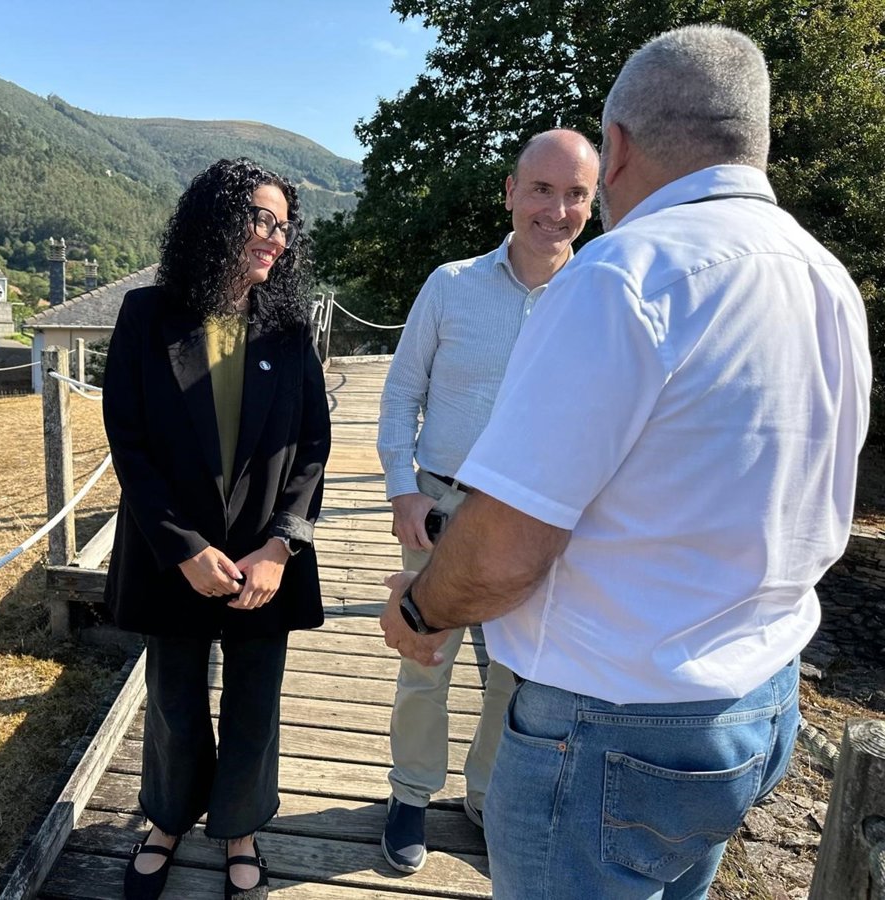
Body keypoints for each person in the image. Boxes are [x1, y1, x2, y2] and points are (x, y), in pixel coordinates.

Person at [380, 24, 872, 900]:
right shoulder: (827, 278)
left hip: (611, 724)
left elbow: (507, 548)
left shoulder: (624, 275)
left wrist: (419, 607)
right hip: (757, 701)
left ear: (617, 148)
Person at [102, 158, 331, 900]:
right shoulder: (146, 315)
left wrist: (281, 546)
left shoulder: (290, 331)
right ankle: (166, 820)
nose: (275, 238)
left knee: (255, 701)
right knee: (173, 699)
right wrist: (183, 548)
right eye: (260, 220)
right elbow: (128, 443)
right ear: (215, 221)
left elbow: (313, 446)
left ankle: (240, 827)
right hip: (173, 554)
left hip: (265, 559)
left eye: (283, 226)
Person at [376, 129, 599, 873]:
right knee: (425, 656)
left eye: (576, 194)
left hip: (537, 515)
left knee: (514, 671)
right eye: (542, 189)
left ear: (593, 204)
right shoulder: (451, 284)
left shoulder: (598, 297)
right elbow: (401, 393)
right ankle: (410, 793)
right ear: (510, 191)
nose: (557, 210)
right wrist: (402, 488)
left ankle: (485, 797)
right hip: (439, 503)